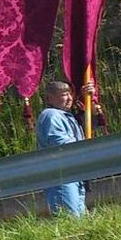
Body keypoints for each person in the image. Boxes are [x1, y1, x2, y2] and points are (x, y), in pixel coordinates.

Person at [37, 81, 88, 217]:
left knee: (79, 219)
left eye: (70, 94)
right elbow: (60, 144)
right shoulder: (51, 115)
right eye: (64, 95)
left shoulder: (66, 116)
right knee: (69, 218)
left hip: (74, 174)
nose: (69, 98)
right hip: (61, 175)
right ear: (50, 98)